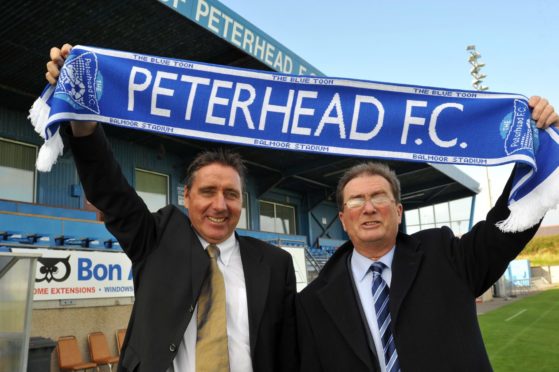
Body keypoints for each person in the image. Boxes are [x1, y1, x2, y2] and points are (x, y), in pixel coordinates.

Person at [46, 44, 297, 372]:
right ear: (186, 196)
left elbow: (288, 352)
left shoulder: (276, 264)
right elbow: (109, 189)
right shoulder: (155, 238)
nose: (219, 205)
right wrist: (82, 119)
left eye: (231, 194)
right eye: (208, 191)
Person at [295, 97, 558, 372]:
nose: (369, 208)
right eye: (356, 201)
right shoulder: (312, 300)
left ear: (398, 212)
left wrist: (543, 143)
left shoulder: (444, 254)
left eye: (379, 197)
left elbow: (503, 232)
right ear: (343, 219)